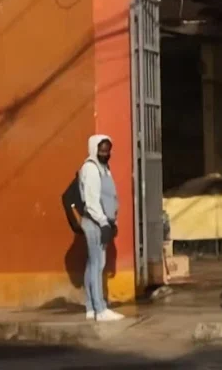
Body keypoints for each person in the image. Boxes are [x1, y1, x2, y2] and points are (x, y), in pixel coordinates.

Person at [79, 135, 123, 322]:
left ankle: (91, 306)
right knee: (98, 265)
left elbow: (109, 197)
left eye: (107, 149)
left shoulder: (104, 169)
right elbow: (91, 201)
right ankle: (100, 309)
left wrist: (113, 221)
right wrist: (104, 222)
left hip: (103, 221)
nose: (105, 153)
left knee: (93, 264)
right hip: (94, 222)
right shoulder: (91, 168)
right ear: (93, 149)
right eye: (102, 149)